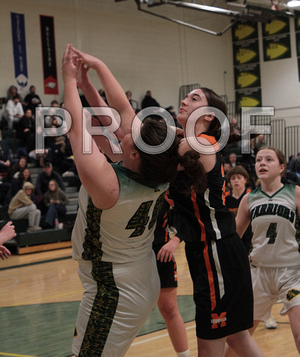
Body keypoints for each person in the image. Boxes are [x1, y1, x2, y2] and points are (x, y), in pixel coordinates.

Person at [62, 44, 203, 357]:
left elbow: (75, 126)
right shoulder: (155, 169)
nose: (127, 127)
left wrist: (69, 80)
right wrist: (93, 72)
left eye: (132, 133)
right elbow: (123, 111)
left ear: (134, 152)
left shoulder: (109, 186)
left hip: (114, 288)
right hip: (136, 276)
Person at [157, 87, 264, 357]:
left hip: (214, 250)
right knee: (238, 340)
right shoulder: (191, 142)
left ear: (209, 117)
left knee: (210, 347)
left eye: (194, 98)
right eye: (186, 96)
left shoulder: (199, 143)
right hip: (214, 251)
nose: (184, 100)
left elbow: (152, 161)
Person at [235, 146, 300, 354]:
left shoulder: (295, 193)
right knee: (239, 337)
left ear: (282, 167)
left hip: (291, 273)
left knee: (299, 333)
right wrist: (238, 259)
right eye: (259, 160)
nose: (262, 163)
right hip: (258, 272)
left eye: (268, 160)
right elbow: (234, 238)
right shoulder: (248, 199)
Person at [153, 201, 190, 357]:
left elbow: (190, 218)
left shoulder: (166, 188)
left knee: (169, 308)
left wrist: (175, 240)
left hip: (160, 251)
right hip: (130, 255)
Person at [225, 165, 252, 253]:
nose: (236, 180)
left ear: (245, 180)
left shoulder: (252, 196)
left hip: (250, 238)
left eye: (239, 178)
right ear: (229, 181)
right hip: (231, 237)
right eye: (233, 178)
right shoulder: (225, 198)